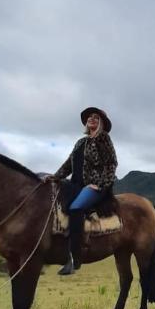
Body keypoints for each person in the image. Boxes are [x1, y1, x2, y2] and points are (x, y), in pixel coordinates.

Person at [54, 107, 118, 275]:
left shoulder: (103, 139)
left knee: (75, 208)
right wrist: (54, 177)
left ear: (101, 123)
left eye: (96, 117)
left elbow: (111, 164)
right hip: (75, 184)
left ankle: (74, 258)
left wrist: (101, 184)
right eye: (90, 117)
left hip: (94, 186)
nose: (92, 119)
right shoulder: (80, 142)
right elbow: (69, 164)